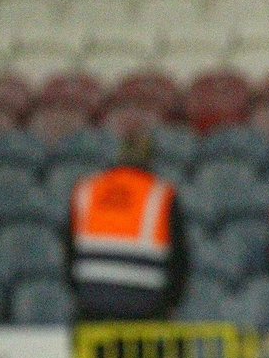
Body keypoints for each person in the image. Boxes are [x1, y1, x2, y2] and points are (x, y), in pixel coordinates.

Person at [67, 133, 188, 322]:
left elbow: (69, 254)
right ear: (151, 159)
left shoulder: (86, 190)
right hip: (146, 308)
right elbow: (180, 260)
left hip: (92, 305)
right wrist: (172, 304)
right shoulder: (162, 194)